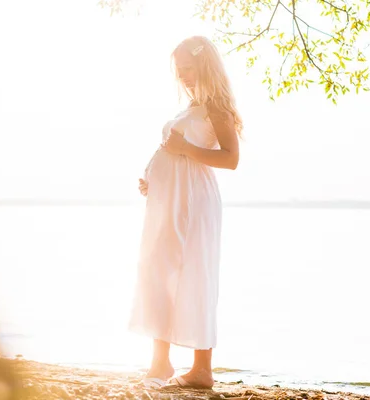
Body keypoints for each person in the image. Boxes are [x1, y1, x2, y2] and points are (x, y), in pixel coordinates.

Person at [128, 35, 243, 390]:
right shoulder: (190, 108)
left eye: (189, 69)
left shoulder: (218, 108)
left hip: (195, 202)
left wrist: (186, 149)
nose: (184, 77)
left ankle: (201, 370)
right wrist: (152, 177)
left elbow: (231, 159)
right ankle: (160, 363)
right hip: (168, 201)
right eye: (179, 72)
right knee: (157, 270)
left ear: (206, 66)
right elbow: (170, 150)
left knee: (195, 272)